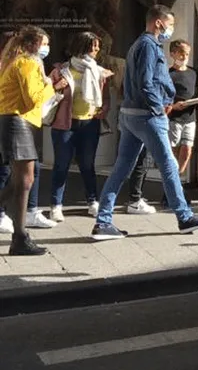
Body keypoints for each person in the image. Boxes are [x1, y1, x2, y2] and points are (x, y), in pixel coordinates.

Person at [90, 6, 198, 241]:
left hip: (131, 114)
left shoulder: (138, 44)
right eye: (170, 24)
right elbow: (146, 82)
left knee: (121, 168)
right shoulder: (149, 46)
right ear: (158, 23)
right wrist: (158, 107)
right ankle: (184, 216)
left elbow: (141, 81)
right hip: (146, 115)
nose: (171, 29)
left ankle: (103, 221)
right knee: (168, 164)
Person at [0, 26, 67, 255]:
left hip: (17, 121)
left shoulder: (19, 62)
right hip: (17, 121)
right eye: (44, 44)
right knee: (25, 180)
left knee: (23, 180)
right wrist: (53, 86)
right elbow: (32, 99)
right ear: (31, 45)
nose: (46, 48)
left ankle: (20, 237)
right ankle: (20, 238)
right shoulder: (27, 63)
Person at [46, 31, 113, 222]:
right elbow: (46, 93)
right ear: (82, 47)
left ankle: (92, 201)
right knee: (61, 165)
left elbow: (105, 97)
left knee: (87, 164)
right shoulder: (62, 70)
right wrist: (58, 86)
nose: (97, 50)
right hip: (65, 125)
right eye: (94, 46)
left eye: (98, 47)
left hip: (90, 123)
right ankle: (56, 205)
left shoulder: (100, 72)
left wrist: (104, 109)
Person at [167, 40, 198, 178]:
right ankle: (172, 179)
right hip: (174, 118)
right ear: (172, 54)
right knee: (172, 149)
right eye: (181, 53)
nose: (184, 57)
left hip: (190, 117)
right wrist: (174, 106)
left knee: (187, 148)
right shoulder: (169, 74)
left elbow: (196, 92)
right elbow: (164, 98)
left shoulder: (193, 72)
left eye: (187, 54)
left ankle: (178, 176)